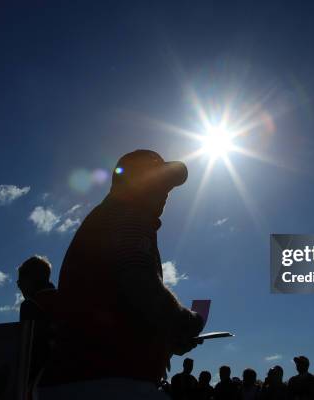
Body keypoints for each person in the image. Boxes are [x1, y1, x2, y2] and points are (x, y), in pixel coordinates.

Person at [39, 150, 204, 399]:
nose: (166, 195)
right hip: (109, 382)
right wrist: (185, 321)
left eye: (168, 188)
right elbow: (140, 284)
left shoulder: (108, 218)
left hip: (84, 380)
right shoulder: (129, 217)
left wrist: (167, 339)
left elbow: (122, 304)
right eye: (160, 184)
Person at [16, 255, 57, 397]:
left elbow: (28, 353)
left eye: (20, 280)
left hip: (44, 385)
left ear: (31, 279)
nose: (18, 284)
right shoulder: (67, 299)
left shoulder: (30, 306)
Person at [17, 255, 56, 321]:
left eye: (20, 282)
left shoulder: (28, 306)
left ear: (31, 279)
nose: (19, 286)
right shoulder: (65, 301)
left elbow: (27, 331)